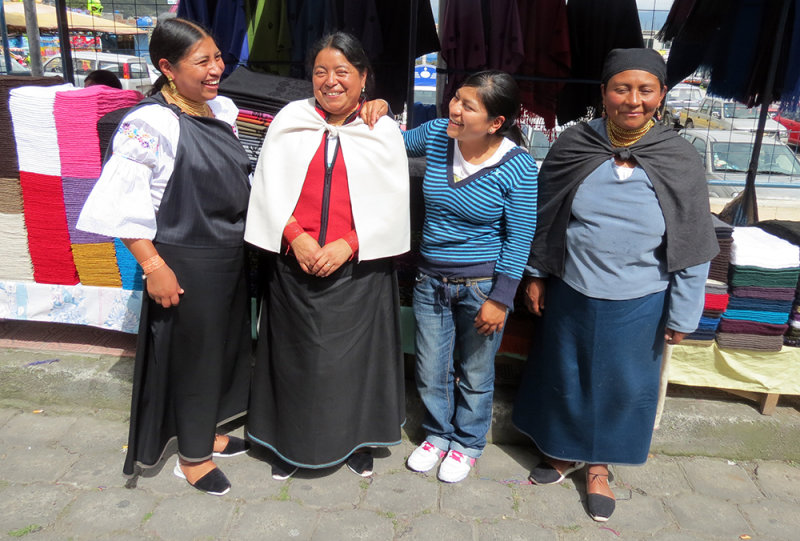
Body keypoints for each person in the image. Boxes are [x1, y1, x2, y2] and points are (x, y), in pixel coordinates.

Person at [512, 48, 718, 521]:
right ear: (603, 93)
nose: (633, 100)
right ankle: (562, 451)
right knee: (565, 372)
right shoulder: (574, 144)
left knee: (620, 384)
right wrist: (538, 275)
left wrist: (685, 312)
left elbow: (691, 240)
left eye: (645, 90)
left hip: (641, 297)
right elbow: (546, 215)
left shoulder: (677, 158)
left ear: (661, 95)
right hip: (573, 287)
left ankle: (600, 467)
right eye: (621, 88)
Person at [76, 18, 252, 496]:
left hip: (228, 256)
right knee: (193, 358)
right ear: (167, 68)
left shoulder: (221, 109)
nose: (216, 69)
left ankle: (208, 430)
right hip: (186, 258)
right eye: (203, 62)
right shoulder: (149, 123)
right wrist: (154, 266)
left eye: (218, 57)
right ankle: (192, 459)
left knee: (220, 352)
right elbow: (122, 204)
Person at [244, 32, 410, 479]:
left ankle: (355, 441)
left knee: (351, 365)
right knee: (294, 362)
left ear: (363, 78)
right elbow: (267, 187)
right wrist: (296, 236)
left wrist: (349, 243)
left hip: (357, 269)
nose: (330, 82)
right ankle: (287, 443)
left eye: (342, 72)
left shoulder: (382, 129)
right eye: (321, 72)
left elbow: (394, 201)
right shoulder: (290, 119)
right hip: (294, 262)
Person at [364, 70, 538, 483]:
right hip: (430, 282)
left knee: (476, 373)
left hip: (481, 288)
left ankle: (468, 443)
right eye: (456, 99)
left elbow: (521, 235)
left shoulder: (518, 167)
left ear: (496, 122)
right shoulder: (440, 133)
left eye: (467, 105)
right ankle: (437, 435)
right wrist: (382, 112)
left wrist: (502, 298)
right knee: (430, 367)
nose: (454, 110)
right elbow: (388, 143)